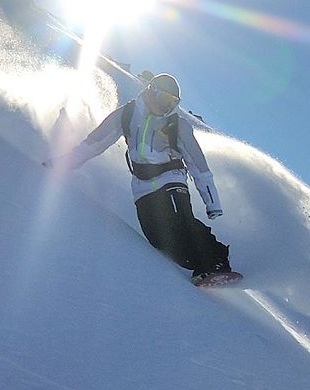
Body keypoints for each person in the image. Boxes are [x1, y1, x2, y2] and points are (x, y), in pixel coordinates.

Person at [46, 73, 234, 283]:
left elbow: (199, 166)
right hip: (142, 185)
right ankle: (200, 265)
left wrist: (212, 203)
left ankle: (214, 262)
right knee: (159, 239)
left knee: (181, 221)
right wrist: (61, 164)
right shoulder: (127, 115)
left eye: (172, 102)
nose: (166, 106)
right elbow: (94, 144)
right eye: (164, 99)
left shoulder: (177, 125)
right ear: (151, 91)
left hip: (172, 177)